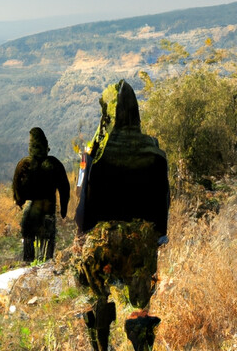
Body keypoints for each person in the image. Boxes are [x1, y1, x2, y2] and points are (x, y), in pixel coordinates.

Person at [74, 80, 170, 351]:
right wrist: (158, 239)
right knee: (141, 304)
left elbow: (83, 202)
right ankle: (141, 338)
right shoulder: (155, 152)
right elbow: (163, 204)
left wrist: (82, 238)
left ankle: (101, 342)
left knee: (98, 296)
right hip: (140, 245)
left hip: (102, 244)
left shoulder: (94, 153)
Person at [12, 127, 70, 262]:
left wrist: (19, 200)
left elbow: (16, 186)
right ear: (46, 146)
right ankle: (46, 263)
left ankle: (28, 263)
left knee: (28, 235)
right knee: (48, 238)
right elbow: (64, 188)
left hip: (32, 207)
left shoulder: (24, 164)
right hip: (49, 206)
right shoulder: (55, 164)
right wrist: (63, 209)